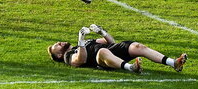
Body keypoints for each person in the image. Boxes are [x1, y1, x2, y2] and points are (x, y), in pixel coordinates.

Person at [48, 24, 187, 74]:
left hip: (113, 50)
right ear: (59, 55)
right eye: (58, 45)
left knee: (138, 46)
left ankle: (173, 63)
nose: (60, 42)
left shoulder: (87, 42)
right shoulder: (69, 56)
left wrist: (102, 32)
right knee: (103, 51)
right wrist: (80, 40)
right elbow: (81, 60)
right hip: (103, 60)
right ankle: (130, 68)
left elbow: (110, 42)